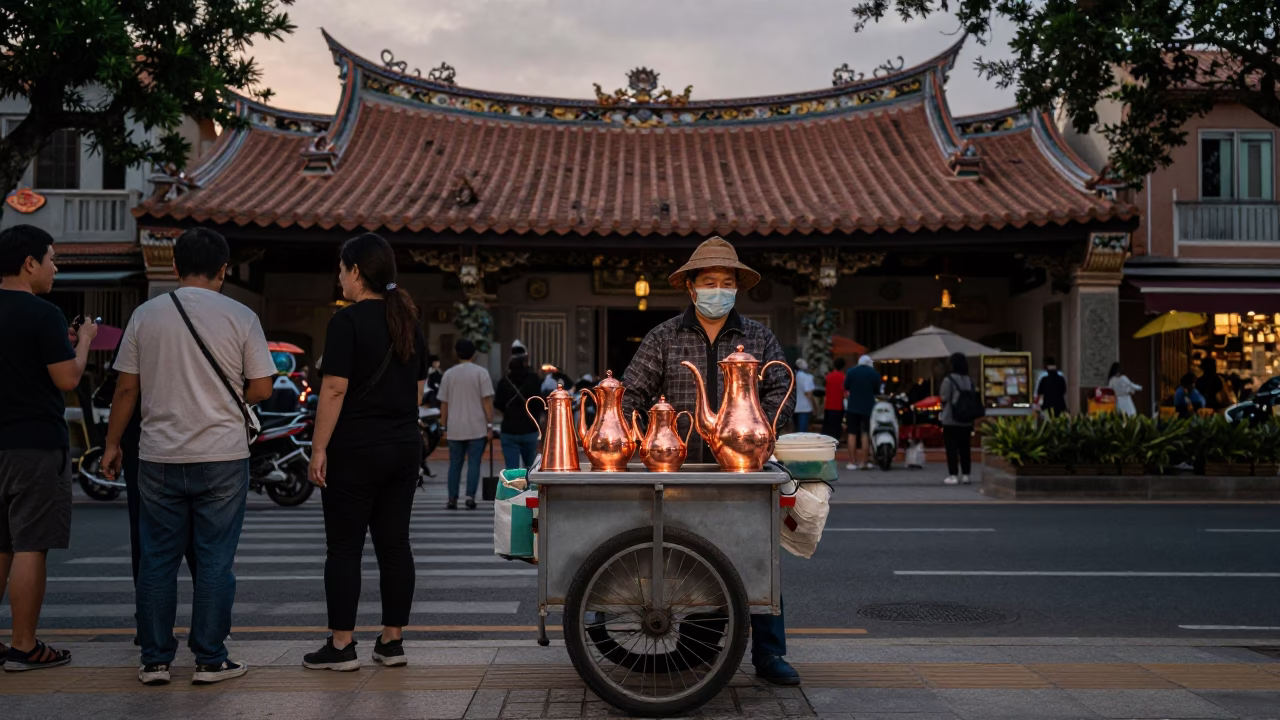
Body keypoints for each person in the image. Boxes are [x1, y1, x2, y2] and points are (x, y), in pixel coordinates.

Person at [621, 236, 798, 686]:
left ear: (737, 288)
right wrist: (641, 439)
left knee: (758, 558)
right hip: (680, 471)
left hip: (746, 471)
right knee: (692, 559)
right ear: (691, 288)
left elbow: (783, 390)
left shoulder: (758, 336)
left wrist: (765, 429)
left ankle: (770, 653)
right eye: (709, 282)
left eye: (726, 282)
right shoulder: (664, 337)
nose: (718, 290)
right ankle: (698, 644)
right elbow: (630, 396)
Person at [102, 227, 275, 686]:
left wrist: (113, 444)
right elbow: (261, 387)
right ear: (224, 270)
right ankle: (210, 658)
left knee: (157, 558)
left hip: (158, 455)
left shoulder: (145, 315)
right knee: (215, 558)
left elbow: (126, 389)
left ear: (174, 266)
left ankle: (155, 659)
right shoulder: (242, 316)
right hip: (221, 455)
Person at [303, 232, 427, 672]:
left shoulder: (346, 322)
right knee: (395, 546)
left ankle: (341, 646)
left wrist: (319, 449)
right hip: (402, 448)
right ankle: (392, 643)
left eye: (341, 270)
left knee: (345, 548)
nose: (339, 279)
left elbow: (334, 388)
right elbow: (416, 389)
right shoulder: (410, 321)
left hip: (355, 449)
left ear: (356, 271)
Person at [0, 225, 96, 671]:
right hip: (33, 445)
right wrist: (86, 344)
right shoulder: (43, 314)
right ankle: (24, 645)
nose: (55, 268)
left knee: (0, 544)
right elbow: (67, 379)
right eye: (52, 259)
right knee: (29, 545)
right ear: (29, 263)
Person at [439, 338, 494, 509]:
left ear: (456, 353)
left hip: (455, 427)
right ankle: (470, 496)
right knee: (474, 463)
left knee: (454, 464)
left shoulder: (449, 374)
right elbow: (487, 401)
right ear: (474, 354)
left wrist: (443, 426)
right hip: (477, 427)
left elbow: (444, 403)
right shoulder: (481, 373)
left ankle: (452, 498)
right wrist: (490, 424)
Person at [495, 356, 543, 470]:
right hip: (530, 428)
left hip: (509, 429)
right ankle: (531, 487)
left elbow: (498, 404)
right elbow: (539, 403)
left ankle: (513, 487)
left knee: (512, 469)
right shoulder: (534, 380)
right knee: (532, 467)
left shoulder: (504, 381)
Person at [939, 352, 976, 485]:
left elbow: (944, 397)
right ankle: (966, 474)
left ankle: (953, 475)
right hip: (967, 419)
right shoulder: (969, 380)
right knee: (965, 448)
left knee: (951, 448)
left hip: (951, 418)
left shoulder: (948, 379)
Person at [844, 355, 880, 470]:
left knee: (852, 433)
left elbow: (846, 387)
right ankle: (864, 462)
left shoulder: (851, 372)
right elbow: (877, 390)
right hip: (868, 407)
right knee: (865, 433)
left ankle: (851, 461)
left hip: (852, 407)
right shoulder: (874, 373)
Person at [820, 357, 847, 439]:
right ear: (843, 367)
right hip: (839, 405)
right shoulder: (844, 377)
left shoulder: (828, 376)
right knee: (837, 425)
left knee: (828, 425)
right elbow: (844, 392)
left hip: (828, 405)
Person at [792, 358, 815, 432]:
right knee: (802, 432)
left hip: (793, 407)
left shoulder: (792, 377)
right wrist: (814, 406)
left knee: (795, 431)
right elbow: (809, 394)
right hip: (805, 408)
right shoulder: (807, 377)